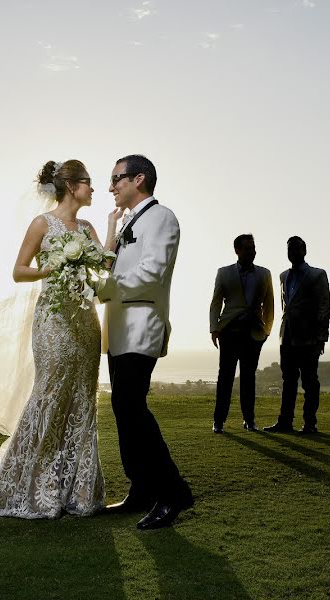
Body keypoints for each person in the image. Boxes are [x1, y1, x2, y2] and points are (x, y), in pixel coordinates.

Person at [0, 159, 106, 519]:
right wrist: (51, 268)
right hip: (53, 320)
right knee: (49, 393)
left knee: (83, 397)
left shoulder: (88, 226)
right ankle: (31, 483)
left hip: (85, 319)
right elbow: (19, 270)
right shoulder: (42, 223)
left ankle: (78, 490)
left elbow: (105, 262)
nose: (93, 189)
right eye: (88, 183)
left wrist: (111, 228)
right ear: (70, 185)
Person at [98, 154, 193, 530]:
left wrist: (105, 285)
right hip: (117, 328)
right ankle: (141, 488)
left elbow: (153, 272)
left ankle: (173, 493)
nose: (111, 186)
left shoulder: (162, 217)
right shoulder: (126, 222)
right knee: (122, 410)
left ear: (139, 179)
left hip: (142, 325)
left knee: (130, 406)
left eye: (117, 178)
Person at [264, 236, 330, 434]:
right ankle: (285, 422)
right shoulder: (283, 276)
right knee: (288, 380)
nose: (292, 252)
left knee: (310, 381)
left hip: (309, 337)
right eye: (289, 249)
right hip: (287, 336)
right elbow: (287, 307)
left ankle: (310, 423)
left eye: (296, 249)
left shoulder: (317, 275)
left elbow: (324, 307)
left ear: (304, 251)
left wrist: (321, 337)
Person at [209, 234, 274, 433]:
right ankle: (218, 422)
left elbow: (269, 304)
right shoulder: (224, 273)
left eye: (253, 248)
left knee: (248, 377)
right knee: (225, 377)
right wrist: (214, 328)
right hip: (229, 330)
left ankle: (249, 420)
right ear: (237, 250)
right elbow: (216, 302)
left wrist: (266, 331)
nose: (251, 252)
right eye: (247, 248)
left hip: (254, 333)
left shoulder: (264, 274)